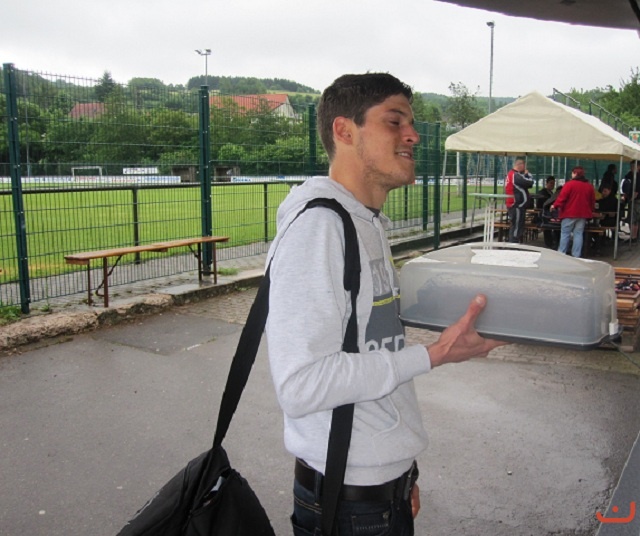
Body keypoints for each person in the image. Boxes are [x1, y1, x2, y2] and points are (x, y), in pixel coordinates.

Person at [265, 73, 506, 536]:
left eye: (410, 124)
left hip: (376, 488)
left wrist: (400, 472)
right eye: (395, 122)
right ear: (344, 131)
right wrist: (434, 354)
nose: (413, 135)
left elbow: (372, 352)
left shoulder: (368, 222)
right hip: (347, 503)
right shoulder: (319, 228)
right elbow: (300, 385)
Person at [550, 166, 596, 257]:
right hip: (583, 214)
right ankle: (576, 255)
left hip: (569, 213)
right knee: (578, 234)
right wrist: (591, 211)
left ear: (575, 173)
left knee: (565, 234)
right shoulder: (589, 186)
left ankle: (562, 254)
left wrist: (554, 205)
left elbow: (562, 197)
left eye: (572, 173)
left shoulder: (569, 184)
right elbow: (592, 201)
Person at [504, 158, 534, 243]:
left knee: (516, 225)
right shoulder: (515, 175)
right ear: (520, 165)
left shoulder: (512, 174)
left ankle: (514, 243)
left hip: (515, 204)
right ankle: (513, 244)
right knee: (516, 226)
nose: (525, 168)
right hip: (516, 205)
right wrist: (528, 175)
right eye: (524, 166)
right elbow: (530, 182)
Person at [621, 161, 639, 242]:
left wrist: (632, 199)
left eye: (633, 166)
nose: (632, 168)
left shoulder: (638, 177)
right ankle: (633, 236)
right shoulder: (629, 176)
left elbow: (636, 191)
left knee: (634, 219)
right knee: (632, 218)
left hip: (636, 200)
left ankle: (634, 236)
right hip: (631, 199)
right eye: (631, 166)